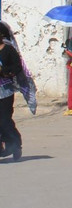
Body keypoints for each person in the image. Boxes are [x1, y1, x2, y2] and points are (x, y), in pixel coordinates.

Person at [0, 22, 26, 161]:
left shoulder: (8, 50)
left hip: (4, 91)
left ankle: (15, 144)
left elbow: (17, 67)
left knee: (4, 120)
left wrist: (4, 72)